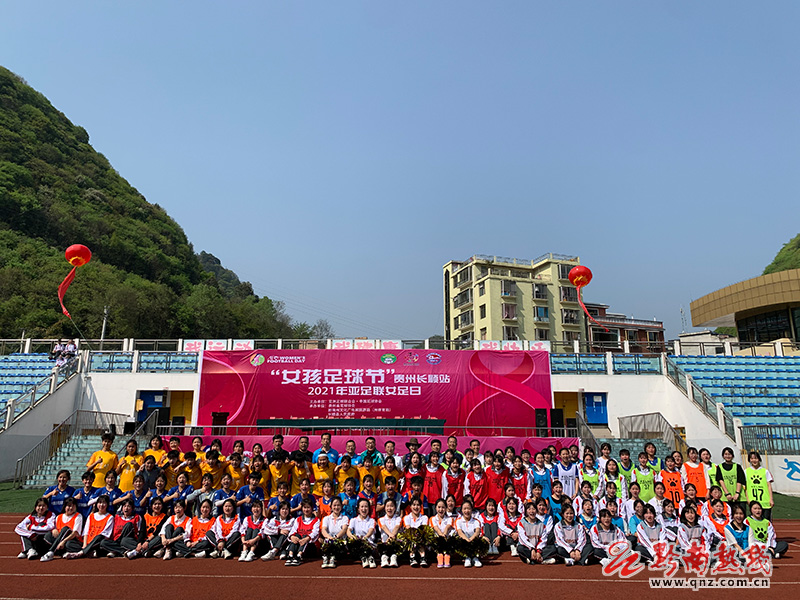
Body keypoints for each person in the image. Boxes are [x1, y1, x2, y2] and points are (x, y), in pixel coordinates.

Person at [63, 494, 115, 559]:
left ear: (107, 505)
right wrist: (85, 545)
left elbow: (106, 535)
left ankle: (81, 553)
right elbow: (86, 532)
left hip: (97, 544)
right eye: (100, 502)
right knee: (69, 544)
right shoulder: (91, 516)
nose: (101, 505)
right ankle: (88, 552)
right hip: (88, 543)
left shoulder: (110, 517)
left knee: (99, 537)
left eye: (104, 503)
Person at [39, 497, 83, 562]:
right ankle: (60, 552)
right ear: (65, 506)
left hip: (72, 540)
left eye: (73, 506)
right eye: (69, 506)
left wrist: (63, 541)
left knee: (66, 531)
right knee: (48, 536)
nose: (71, 508)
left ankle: (51, 552)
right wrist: (54, 530)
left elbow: (75, 533)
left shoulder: (78, 516)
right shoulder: (59, 517)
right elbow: (55, 530)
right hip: (59, 540)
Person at [516, 498, 555, 565]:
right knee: (520, 548)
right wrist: (532, 549)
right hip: (528, 548)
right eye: (529, 509)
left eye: (533, 509)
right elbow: (523, 539)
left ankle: (535, 559)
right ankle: (540, 559)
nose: (531, 511)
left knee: (553, 548)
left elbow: (543, 539)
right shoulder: (521, 523)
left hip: (538, 548)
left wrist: (538, 551)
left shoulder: (541, 524)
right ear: (526, 511)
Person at [285, 499, 319, 566]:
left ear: (312, 508)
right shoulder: (298, 519)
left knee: (305, 536)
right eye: (304, 507)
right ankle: (290, 556)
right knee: (296, 536)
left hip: (310, 546)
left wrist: (306, 539)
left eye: (308, 507)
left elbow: (315, 533)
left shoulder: (316, 520)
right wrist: (292, 537)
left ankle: (299, 556)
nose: (306, 510)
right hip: (299, 543)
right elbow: (293, 530)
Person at [320, 496, 349, 569]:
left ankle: (332, 558)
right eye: (334, 505)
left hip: (340, 542)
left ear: (341, 506)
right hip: (329, 541)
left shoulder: (345, 518)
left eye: (338, 505)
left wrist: (336, 537)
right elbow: (323, 530)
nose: (336, 507)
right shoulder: (326, 518)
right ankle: (326, 558)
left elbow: (344, 529)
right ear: (331, 506)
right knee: (327, 542)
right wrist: (330, 538)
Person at [348, 498, 378, 568]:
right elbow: (348, 530)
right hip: (358, 544)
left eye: (366, 506)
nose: (364, 509)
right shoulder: (353, 520)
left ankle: (370, 558)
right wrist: (352, 537)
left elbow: (371, 530)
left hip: (369, 544)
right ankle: (364, 557)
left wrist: (365, 538)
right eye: (362, 507)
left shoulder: (372, 521)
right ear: (358, 509)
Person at [744, 451, 774, 520]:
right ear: (749, 460)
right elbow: (745, 487)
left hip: (765, 501)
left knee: (766, 521)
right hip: (753, 501)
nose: (754, 460)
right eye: (752, 458)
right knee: (755, 521)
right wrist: (747, 499)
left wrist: (771, 499)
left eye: (756, 458)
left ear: (759, 459)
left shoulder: (765, 471)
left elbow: (769, 486)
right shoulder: (746, 471)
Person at [401, 496, 429, 567]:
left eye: (418, 505)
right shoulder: (406, 517)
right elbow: (408, 528)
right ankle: (412, 557)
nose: (416, 507)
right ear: (410, 507)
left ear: (421, 506)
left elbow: (423, 529)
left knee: (422, 537)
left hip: (420, 538)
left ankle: (423, 558)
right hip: (411, 538)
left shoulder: (425, 517)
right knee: (411, 537)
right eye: (414, 505)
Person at [377, 498, 403, 568]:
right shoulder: (381, 519)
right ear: (384, 508)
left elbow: (397, 527)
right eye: (387, 506)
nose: (389, 508)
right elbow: (384, 527)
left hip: (396, 544)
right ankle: (384, 557)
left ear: (395, 508)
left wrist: (391, 537)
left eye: (391, 506)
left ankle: (393, 557)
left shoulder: (398, 519)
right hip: (385, 543)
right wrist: (391, 536)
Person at [430, 498, 453, 568]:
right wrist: (441, 536)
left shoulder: (450, 519)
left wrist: (444, 535)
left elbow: (447, 527)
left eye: (443, 507)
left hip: (446, 539)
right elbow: (436, 528)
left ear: (446, 508)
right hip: (437, 540)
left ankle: (447, 556)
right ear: (435, 508)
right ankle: (439, 555)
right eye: (439, 507)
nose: (441, 510)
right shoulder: (432, 519)